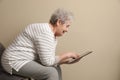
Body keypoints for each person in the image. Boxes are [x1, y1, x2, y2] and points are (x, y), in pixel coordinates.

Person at [1, 8, 81, 80]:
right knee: (51, 73)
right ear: (59, 22)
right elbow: (47, 62)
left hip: (24, 59)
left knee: (56, 68)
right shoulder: (45, 32)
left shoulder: (51, 35)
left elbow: (48, 59)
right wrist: (67, 55)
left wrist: (64, 61)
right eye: (67, 26)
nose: (67, 30)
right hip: (13, 61)